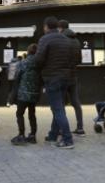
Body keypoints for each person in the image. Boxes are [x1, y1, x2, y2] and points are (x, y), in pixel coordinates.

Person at [33, 16, 77, 149]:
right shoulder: (66, 39)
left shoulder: (45, 39)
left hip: (52, 77)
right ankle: (53, 135)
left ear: (46, 26)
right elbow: (73, 59)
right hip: (66, 77)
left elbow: (39, 59)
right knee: (59, 107)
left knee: (57, 109)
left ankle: (67, 139)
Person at [58, 20, 84, 136]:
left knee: (60, 103)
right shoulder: (76, 40)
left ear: (60, 28)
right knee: (76, 102)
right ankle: (80, 128)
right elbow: (80, 60)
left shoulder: (61, 39)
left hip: (63, 75)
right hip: (74, 74)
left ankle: (61, 129)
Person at [11, 43, 41, 145]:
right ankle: (33, 135)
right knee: (32, 114)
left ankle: (21, 135)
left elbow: (17, 77)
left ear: (28, 51)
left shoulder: (22, 63)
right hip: (34, 93)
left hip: (23, 93)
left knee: (20, 114)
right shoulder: (40, 64)